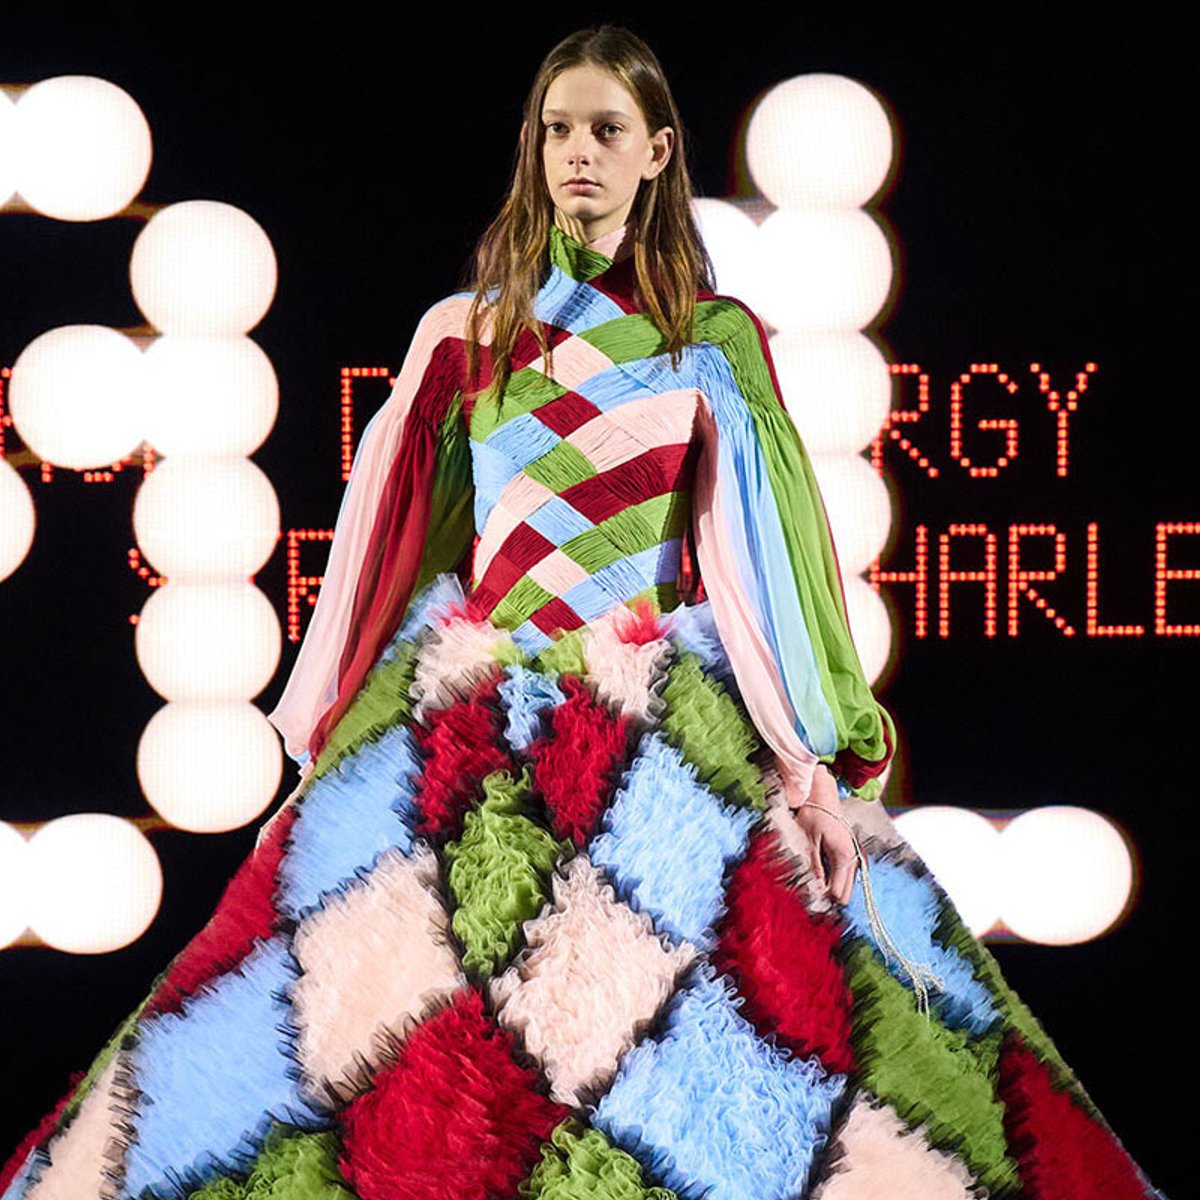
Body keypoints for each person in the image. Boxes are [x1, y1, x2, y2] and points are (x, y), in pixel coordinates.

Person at [1, 25, 1159, 1200]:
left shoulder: (711, 340)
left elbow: (770, 560)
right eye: (558, 130)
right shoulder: (464, 335)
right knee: (397, 1065)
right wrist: (333, 741)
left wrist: (813, 758)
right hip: (477, 728)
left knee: (698, 1062)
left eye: (607, 129)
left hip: (651, 732)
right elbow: (391, 545)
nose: (579, 153)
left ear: (658, 150)